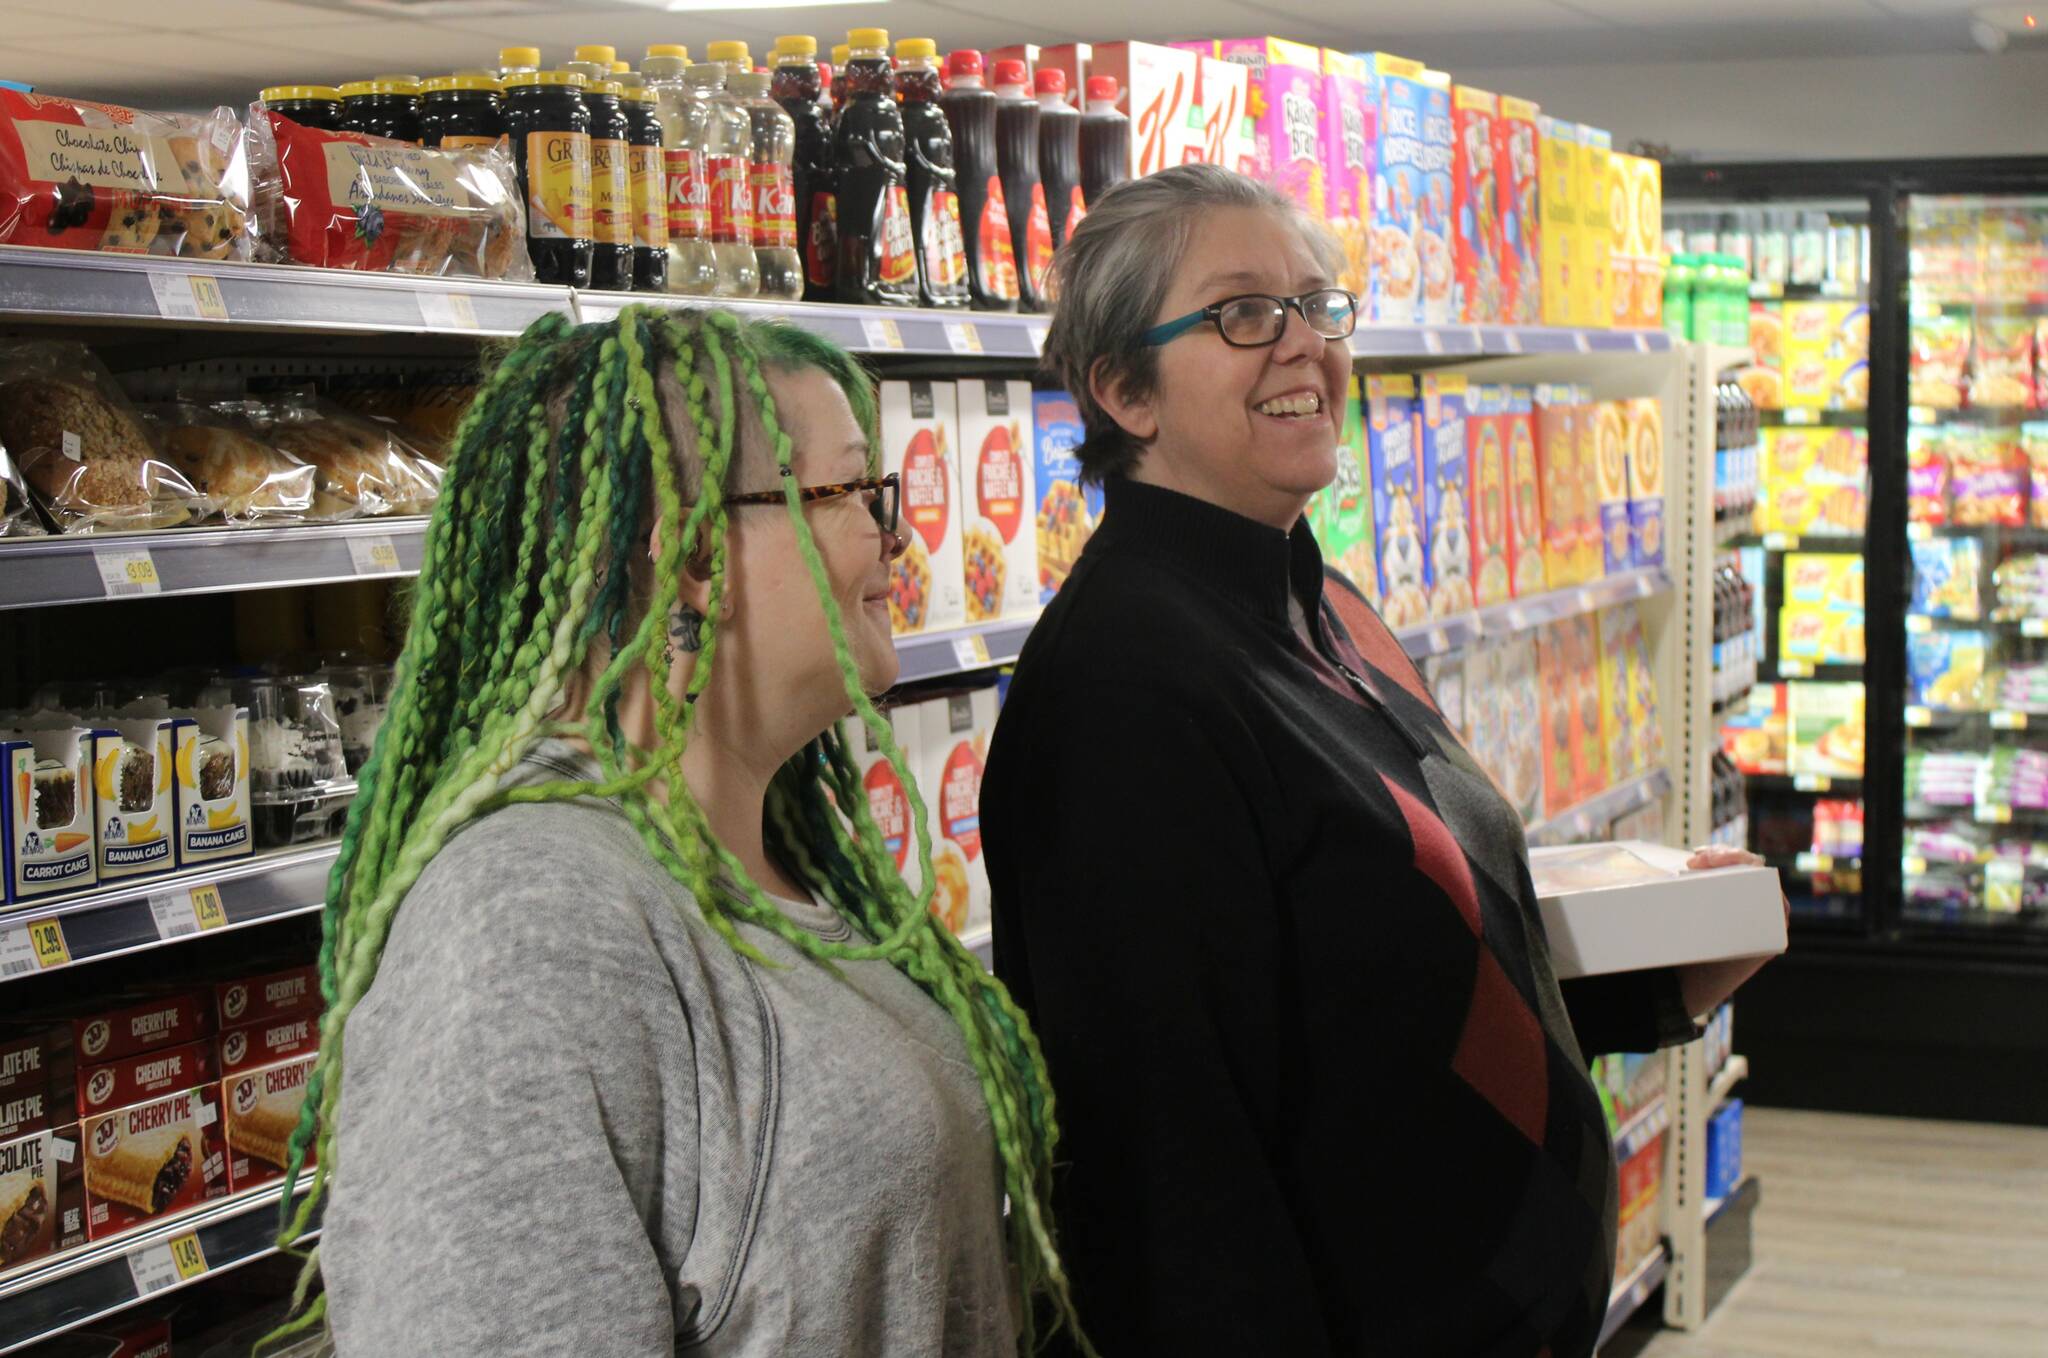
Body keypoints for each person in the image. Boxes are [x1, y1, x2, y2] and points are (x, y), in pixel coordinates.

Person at [979, 164, 1778, 1358]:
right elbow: (1170, 1173)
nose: (1301, 344)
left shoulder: (1318, 600)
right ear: (1121, 389)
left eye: (1316, 304)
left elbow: (1368, 991)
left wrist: (1648, 975)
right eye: (1243, 312)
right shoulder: (1124, 690)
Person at [267, 307, 1085, 1356]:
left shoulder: (757, 849)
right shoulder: (530, 922)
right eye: (850, 492)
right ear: (696, 555)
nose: (899, 531)